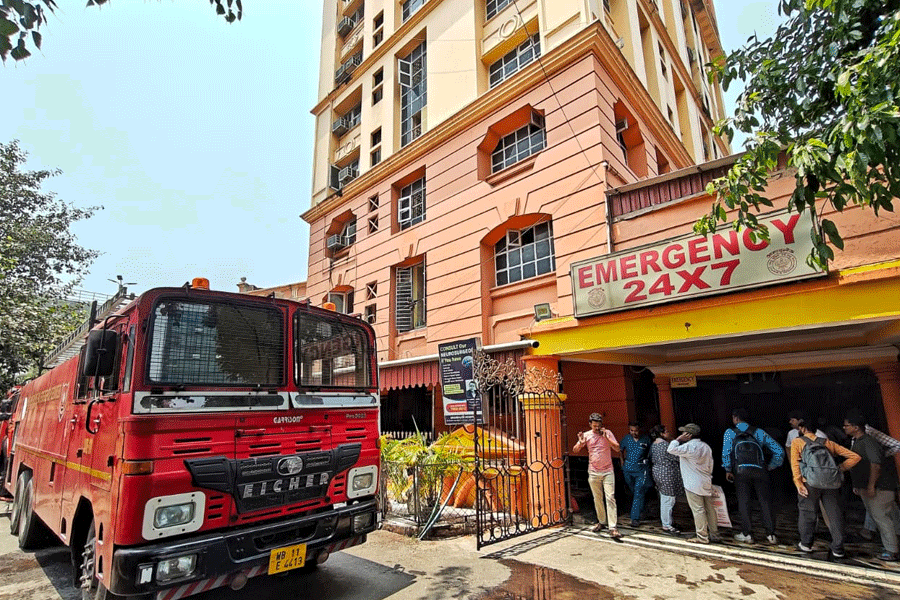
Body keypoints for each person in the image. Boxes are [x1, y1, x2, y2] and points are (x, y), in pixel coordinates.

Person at [790, 415, 860, 559]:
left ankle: (806, 544)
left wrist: (798, 483)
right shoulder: (827, 443)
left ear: (802, 428)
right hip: (831, 483)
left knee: (808, 514)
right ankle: (838, 548)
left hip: (810, 483)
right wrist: (840, 468)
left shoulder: (798, 442)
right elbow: (855, 457)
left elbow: (795, 465)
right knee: (834, 514)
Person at [843, 411, 900, 561]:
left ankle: (891, 550)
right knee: (885, 517)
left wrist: (871, 486)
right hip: (870, 486)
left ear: (856, 427)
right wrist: (858, 485)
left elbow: (875, 465)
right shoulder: (858, 442)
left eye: (846, 425)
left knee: (882, 518)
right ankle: (892, 545)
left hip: (880, 488)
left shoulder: (868, 442)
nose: (844, 428)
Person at [722, 407, 785, 545]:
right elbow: (779, 450)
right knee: (765, 502)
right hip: (760, 471)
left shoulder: (730, 432)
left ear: (735, 418)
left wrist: (728, 469)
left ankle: (747, 534)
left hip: (740, 472)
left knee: (744, 502)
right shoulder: (758, 432)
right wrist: (770, 466)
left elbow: (726, 453)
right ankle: (771, 535)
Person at [667, 423, 718, 544]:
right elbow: (711, 464)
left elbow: (670, 449)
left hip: (692, 484)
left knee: (698, 510)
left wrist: (678, 439)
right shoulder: (706, 447)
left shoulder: (688, 447)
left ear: (688, 435)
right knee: (710, 509)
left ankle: (702, 536)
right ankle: (715, 534)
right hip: (706, 481)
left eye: (684, 433)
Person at [573, 413, 622, 538]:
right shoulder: (587, 435)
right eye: (594, 426)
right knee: (597, 498)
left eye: (598, 426)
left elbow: (617, 448)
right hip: (594, 471)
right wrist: (580, 442)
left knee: (610, 497)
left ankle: (613, 527)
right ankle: (601, 521)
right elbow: (575, 450)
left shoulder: (608, 433)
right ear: (590, 425)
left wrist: (607, 438)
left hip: (608, 471)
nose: (597, 428)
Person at [650, 424, 683, 535]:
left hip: (658, 472)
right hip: (667, 473)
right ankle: (667, 524)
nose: (669, 433)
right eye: (667, 431)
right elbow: (676, 457)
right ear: (662, 433)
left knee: (664, 498)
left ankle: (669, 522)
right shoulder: (665, 445)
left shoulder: (654, 444)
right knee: (668, 500)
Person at [620, 422, 652, 527]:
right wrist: (622, 462)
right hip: (628, 469)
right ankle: (642, 509)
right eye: (632, 430)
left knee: (638, 492)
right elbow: (620, 450)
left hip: (641, 470)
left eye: (636, 430)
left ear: (640, 430)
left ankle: (635, 518)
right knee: (635, 492)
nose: (634, 433)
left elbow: (650, 452)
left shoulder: (646, 439)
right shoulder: (626, 439)